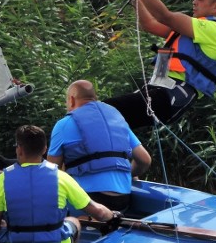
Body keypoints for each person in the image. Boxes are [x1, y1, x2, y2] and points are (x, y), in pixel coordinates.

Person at [104, 0, 216, 131]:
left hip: (172, 95)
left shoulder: (215, 29)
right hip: (158, 91)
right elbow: (150, 24)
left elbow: (164, 16)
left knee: (100, 111)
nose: (194, 2)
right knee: (108, 124)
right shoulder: (192, 31)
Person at [0, 125, 120, 243]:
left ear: (19, 149)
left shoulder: (2, 180)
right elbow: (98, 212)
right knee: (73, 221)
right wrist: (113, 215)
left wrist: (6, 227)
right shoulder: (61, 177)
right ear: (44, 149)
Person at [46, 80, 152, 212]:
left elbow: (51, 174)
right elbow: (145, 160)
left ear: (72, 100)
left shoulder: (64, 124)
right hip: (122, 199)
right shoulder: (117, 120)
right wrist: (127, 174)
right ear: (95, 98)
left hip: (88, 200)